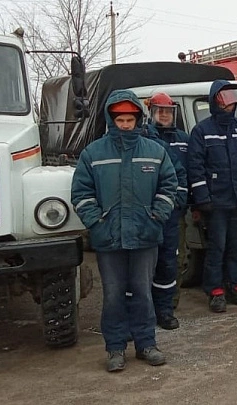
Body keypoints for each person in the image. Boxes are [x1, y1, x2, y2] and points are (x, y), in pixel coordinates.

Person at [71, 90, 178, 372]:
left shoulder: (155, 152)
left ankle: (146, 345)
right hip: (109, 238)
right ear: (111, 118)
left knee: (143, 293)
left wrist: (156, 217)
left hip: (145, 236)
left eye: (130, 119)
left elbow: (169, 187)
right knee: (114, 294)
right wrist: (97, 222)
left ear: (138, 119)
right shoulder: (93, 154)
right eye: (121, 119)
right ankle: (115, 348)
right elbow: (81, 193)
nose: (126, 124)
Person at [188, 80, 237, 313]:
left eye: (232, 102)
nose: (230, 106)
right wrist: (203, 197)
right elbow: (195, 167)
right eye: (225, 101)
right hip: (216, 203)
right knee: (217, 248)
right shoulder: (202, 131)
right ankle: (215, 290)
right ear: (215, 102)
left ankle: (236, 286)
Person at [145, 92, 189, 330]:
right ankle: (146, 310)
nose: (164, 115)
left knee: (171, 261)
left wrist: (181, 201)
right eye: (159, 111)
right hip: (148, 214)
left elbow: (187, 172)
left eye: (168, 111)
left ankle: (167, 307)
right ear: (150, 112)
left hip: (173, 214)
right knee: (144, 263)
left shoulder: (183, 139)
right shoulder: (143, 139)